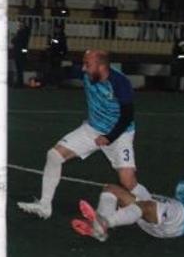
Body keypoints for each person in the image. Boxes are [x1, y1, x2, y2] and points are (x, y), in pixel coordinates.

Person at [18, 49, 140, 219]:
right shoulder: (87, 74)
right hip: (92, 129)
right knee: (54, 155)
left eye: (87, 64)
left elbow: (127, 116)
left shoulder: (120, 82)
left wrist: (109, 137)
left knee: (128, 181)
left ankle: (149, 211)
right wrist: (41, 79)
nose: (83, 68)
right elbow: (64, 72)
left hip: (120, 134)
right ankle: (44, 206)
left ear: (101, 66)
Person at [71, 147, 184, 244]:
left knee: (147, 205)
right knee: (110, 189)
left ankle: (104, 222)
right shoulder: (183, 184)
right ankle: (99, 231)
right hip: (158, 221)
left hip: (181, 218)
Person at [12, 21, 31, 88]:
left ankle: (20, 83)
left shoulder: (22, 33)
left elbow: (14, 41)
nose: (19, 26)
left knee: (19, 69)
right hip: (20, 52)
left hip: (19, 53)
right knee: (19, 69)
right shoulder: (24, 33)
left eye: (20, 25)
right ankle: (20, 82)